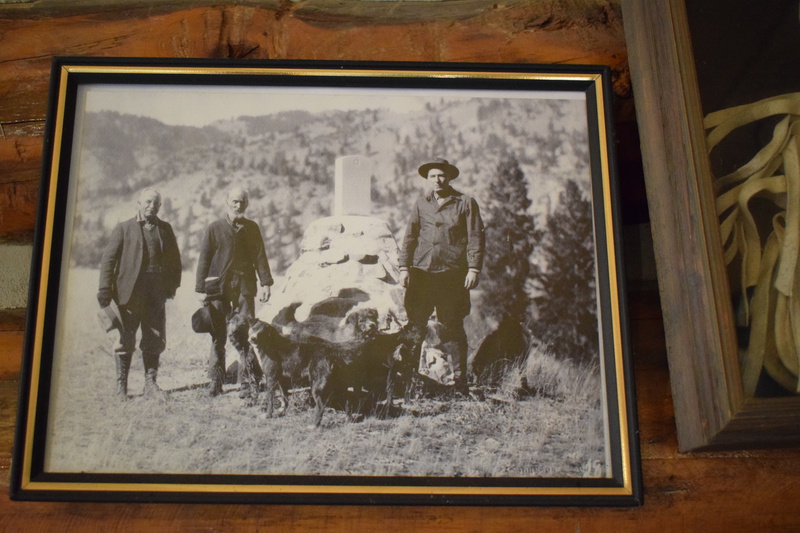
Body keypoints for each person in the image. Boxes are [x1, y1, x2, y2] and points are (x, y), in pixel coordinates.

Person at [398, 158, 485, 396]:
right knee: (415, 326)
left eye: (442, 176)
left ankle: (460, 383)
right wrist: (404, 267)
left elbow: (476, 238)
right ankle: (408, 381)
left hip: (452, 275)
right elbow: (409, 238)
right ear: (428, 179)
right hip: (421, 274)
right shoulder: (420, 204)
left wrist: (473, 268)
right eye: (433, 176)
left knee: (453, 327)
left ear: (449, 178)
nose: (437, 180)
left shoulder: (465, 203)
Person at [97, 188, 182, 400]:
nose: (151, 206)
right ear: (138, 203)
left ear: (160, 206)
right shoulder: (124, 228)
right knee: (125, 338)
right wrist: (105, 289)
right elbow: (108, 260)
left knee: (154, 337)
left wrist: (171, 287)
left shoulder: (165, 229)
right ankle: (121, 388)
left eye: (155, 203)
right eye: (147, 202)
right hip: (129, 295)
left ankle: (150, 385)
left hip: (156, 294)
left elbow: (175, 262)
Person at [195, 187, 274, 397]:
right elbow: (203, 259)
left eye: (242, 202)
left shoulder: (252, 228)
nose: (238, 205)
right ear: (226, 202)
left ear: (246, 204)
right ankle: (215, 380)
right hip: (218, 288)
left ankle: (247, 382)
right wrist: (200, 288)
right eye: (234, 201)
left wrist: (266, 283)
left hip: (245, 286)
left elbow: (260, 257)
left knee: (246, 332)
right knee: (217, 333)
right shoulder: (214, 228)